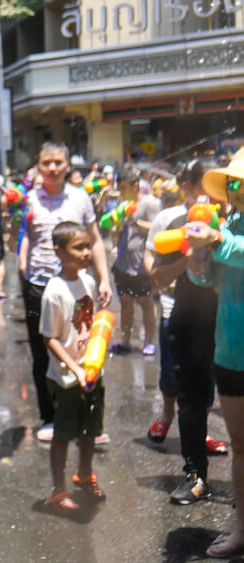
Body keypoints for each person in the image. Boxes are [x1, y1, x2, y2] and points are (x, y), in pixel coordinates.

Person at [143, 158, 225, 505]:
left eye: (214, 189)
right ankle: (195, 475)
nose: (207, 198)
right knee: (191, 401)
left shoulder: (235, 220)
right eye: (200, 188)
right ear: (189, 190)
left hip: (232, 320)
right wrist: (187, 258)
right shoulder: (177, 223)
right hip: (191, 319)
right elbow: (158, 276)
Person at [19, 142, 112, 443]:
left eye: (58, 162)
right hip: (39, 284)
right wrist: (20, 261)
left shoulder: (80, 198)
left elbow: (95, 240)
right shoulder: (28, 200)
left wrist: (104, 279)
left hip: (76, 284)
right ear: (38, 165)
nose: (53, 168)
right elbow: (20, 238)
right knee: (43, 351)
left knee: (85, 345)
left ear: (67, 164)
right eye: (46, 163)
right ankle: (50, 416)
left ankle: (88, 416)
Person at [187, 151, 244, 558]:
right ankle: (242, 529)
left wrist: (218, 241)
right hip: (230, 351)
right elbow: (205, 278)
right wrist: (199, 254)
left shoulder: (227, 233)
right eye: (234, 183)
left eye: (241, 183)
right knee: (241, 445)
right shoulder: (228, 224)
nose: (236, 190)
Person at [40, 221, 107, 514]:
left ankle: (84, 473)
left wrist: (101, 341)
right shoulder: (54, 291)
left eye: (87, 246)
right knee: (64, 434)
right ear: (59, 252)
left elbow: (91, 324)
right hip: (66, 377)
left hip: (92, 372)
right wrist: (75, 370)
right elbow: (50, 338)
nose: (86, 252)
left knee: (90, 429)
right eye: (78, 247)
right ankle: (58, 489)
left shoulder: (88, 282)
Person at [109, 169, 160, 355]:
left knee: (147, 302)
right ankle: (125, 341)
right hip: (123, 264)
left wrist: (135, 223)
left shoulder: (149, 204)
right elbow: (121, 230)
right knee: (125, 303)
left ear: (135, 185)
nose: (120, 191)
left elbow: (157, 228)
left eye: (123, 187)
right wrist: (117, 231)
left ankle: (148, 342)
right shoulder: (124, 205)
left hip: (142, 265)